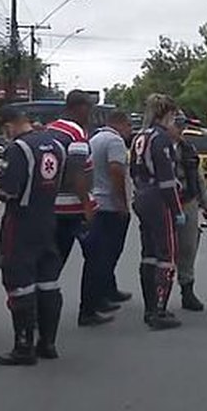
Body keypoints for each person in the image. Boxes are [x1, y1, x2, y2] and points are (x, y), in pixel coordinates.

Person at [0, 107, 66, 366]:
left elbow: (7, 191)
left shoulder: (18, 149)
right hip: (47, 217)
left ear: (9, 125)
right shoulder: (55, 145)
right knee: (48, 281)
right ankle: (48, 342)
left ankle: (23, 347)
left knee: (19, 281)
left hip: (21, 221)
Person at [47, 90, 111, 327]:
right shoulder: (76, 134)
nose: (91, 114)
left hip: (52, 208)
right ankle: (88, 310)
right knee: (97, 256)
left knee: (54, 262)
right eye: (89, 109)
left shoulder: (50, 129)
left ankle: (37, 308)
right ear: (79, 108)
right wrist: (87, 206)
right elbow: (77, 172)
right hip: (74, 209)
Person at [130, 94, 186, 330]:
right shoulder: (161, 139)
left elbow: (133, 171)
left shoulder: (138, 138)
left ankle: (149, 307)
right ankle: (159, 310)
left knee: (148, 254)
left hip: (142, 195)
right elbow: (167, 181)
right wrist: (176, 208)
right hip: (158, 199)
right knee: (167, 254)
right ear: (166, 114)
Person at [84, 110, 133, 318]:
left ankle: (108, 291)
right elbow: (116, 172)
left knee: (101, 253)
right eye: (129, 126)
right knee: (108, 254)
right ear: (120, 124)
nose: (130, 131)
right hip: (110, 205)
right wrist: (121, 203)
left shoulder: (94, 139)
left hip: (96, 201)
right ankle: (97, 300)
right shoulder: (115, 141)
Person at [167, 114, 207, 312]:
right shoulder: (158, 146)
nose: (180, 130)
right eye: (177, 125)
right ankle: (158, 298)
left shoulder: (188, 149)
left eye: (182, 126)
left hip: (187, 201)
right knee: (163, 251)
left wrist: (205, 204)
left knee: (188, 247)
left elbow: (198, 177)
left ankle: (187, 290)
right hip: (165, 204)